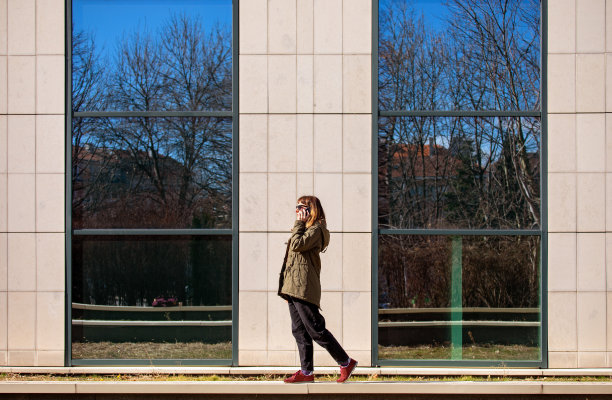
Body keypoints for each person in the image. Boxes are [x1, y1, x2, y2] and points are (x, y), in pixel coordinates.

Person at [278, 195, 358, 383]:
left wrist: (299, 223)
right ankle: (307, 373)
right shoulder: (305, 229)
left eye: (301, 207)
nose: (297, 210)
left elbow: (297, 245)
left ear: (311, 209)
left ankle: (345, 362)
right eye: (297, 207)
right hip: (293, 287)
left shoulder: (317, 230)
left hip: (304, 286)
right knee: (299, 330)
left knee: (315, 328)